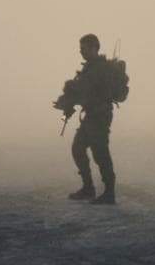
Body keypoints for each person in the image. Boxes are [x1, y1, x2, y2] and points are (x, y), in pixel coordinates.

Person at [52, 34, 120, 205]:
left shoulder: (100, 69)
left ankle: (109, 193)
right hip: (91, 116)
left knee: (100, 153)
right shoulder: (90, 67)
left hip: (100, 116)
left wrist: (67, 101)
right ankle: (88, 188)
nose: (81, 52)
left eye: (83, 48)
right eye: (80, 48)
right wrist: (66, 103)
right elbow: (81, 91)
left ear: (94, 48)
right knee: (78, 148)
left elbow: (84, 90)